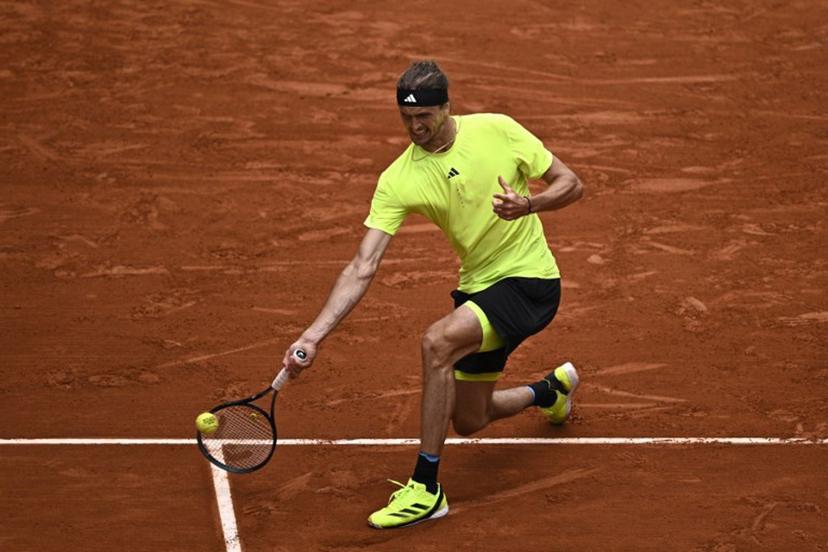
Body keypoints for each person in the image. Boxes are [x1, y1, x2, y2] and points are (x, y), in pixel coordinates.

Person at [281, 60, 584, 529]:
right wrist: (314, 335)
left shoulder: (498, 130)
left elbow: (571, 184)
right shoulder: (399, 178)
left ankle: (426, 487)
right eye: (406, 119)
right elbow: (363, 265)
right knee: (469, 419)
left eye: (424, 116)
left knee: (437, 342)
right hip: (478, 287)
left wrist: (530, 204)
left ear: (446, 107)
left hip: (530, 280)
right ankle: (550, 392)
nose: (415, 127)